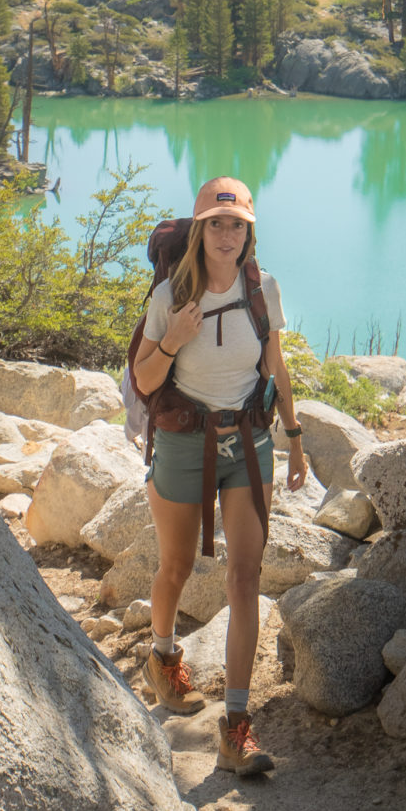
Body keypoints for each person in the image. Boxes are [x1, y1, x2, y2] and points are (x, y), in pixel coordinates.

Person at [129, 175, 308, 775]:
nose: (227, 235)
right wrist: (175, 338)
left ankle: (236, 728)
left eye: (238, 225)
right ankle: (161, 655)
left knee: (245, 577)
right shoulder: (170, 298)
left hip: (251, 442)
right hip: (184, 440)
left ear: (248, 232)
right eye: (216, 224)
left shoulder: (263, 289)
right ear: (200, 229)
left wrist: (296, 435)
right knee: (176, 567)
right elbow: (146, 382)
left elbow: (274, 362)